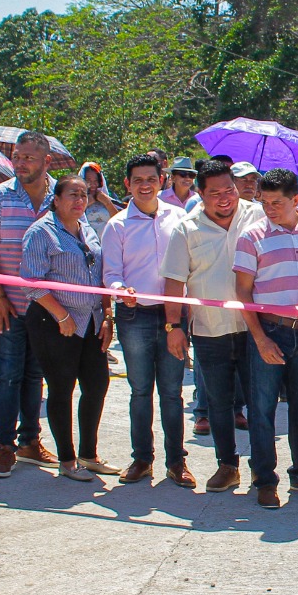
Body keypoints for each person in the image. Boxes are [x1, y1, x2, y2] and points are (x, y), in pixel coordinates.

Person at [231, 167, 298, 507]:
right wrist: (260, 339)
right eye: (265, 202)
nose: (269, 209)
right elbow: (243, 293)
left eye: (277, 203)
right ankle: (264, 478)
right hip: (269, 330)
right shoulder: (252, 236)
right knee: (262, 409)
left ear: (296, 199)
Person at [164, 161, 265, 492]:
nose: (225, 198)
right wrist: (174, 327)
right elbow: (173, 282)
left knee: (260, 402)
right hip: (209, 331)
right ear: (200, 194)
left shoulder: (258, 215)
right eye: (215, 193)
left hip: (255, 329)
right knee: (219, 403)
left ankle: (263, 469)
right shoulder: (186, 229)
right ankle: (227, 465)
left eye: (229, 190)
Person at [102, 153, 193, 488]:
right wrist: (119, 290)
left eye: (151, 179)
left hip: (174, 315)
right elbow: (110, 273)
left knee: (172, 392)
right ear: (127, 184)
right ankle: (142, 459)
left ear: (162, 181)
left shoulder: (179, 217)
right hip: (135, 315)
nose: (145, 186)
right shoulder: (117, 226)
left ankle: (176, 462)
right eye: (138, 180)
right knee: (140, 391)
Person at [21, 175, 115, 483]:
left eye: (84, 195)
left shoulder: (86, 228)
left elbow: (100, 276)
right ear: (57, 199)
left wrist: (107, 315)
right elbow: (32, 282)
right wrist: (61, 316)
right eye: (72, 194)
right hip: (54, 322)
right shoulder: (41, 232)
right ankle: (67, 459)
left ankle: (89, 454)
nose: (79, 200)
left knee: (97, 385)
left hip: (90, 321)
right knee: (61, 389)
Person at [0, 131, 57, 477]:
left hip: (47, 309)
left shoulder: (61, 195)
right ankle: (5, 447)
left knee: (35, 376)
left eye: (28, 158)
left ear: (46, 161)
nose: (20, 164)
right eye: (17, 157)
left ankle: (30, 442)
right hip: (8, 306)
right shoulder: (0, 196)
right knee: (8, 376)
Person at [78, 161, 119, 234]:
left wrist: (107, 203)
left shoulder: (109, 197)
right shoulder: (75, 201)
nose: (93, 184)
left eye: (95, 181)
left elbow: (119, 222)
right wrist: (85, 204)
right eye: (89, 181)